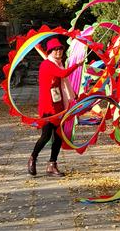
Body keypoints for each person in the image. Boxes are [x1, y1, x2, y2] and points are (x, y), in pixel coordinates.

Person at [27, 38, 83, 177]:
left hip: (59, 105)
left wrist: (73, 94)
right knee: (46, 136)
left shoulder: (59, 64)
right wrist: (77, 65)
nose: (59, 51)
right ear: (50, 51)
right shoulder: (47, 64)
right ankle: (32, 158)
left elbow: (65, 83)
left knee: (59, 136)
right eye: (56, 49)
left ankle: (52, 164)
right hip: (48, 107)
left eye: (61, 49)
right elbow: (63, 74)